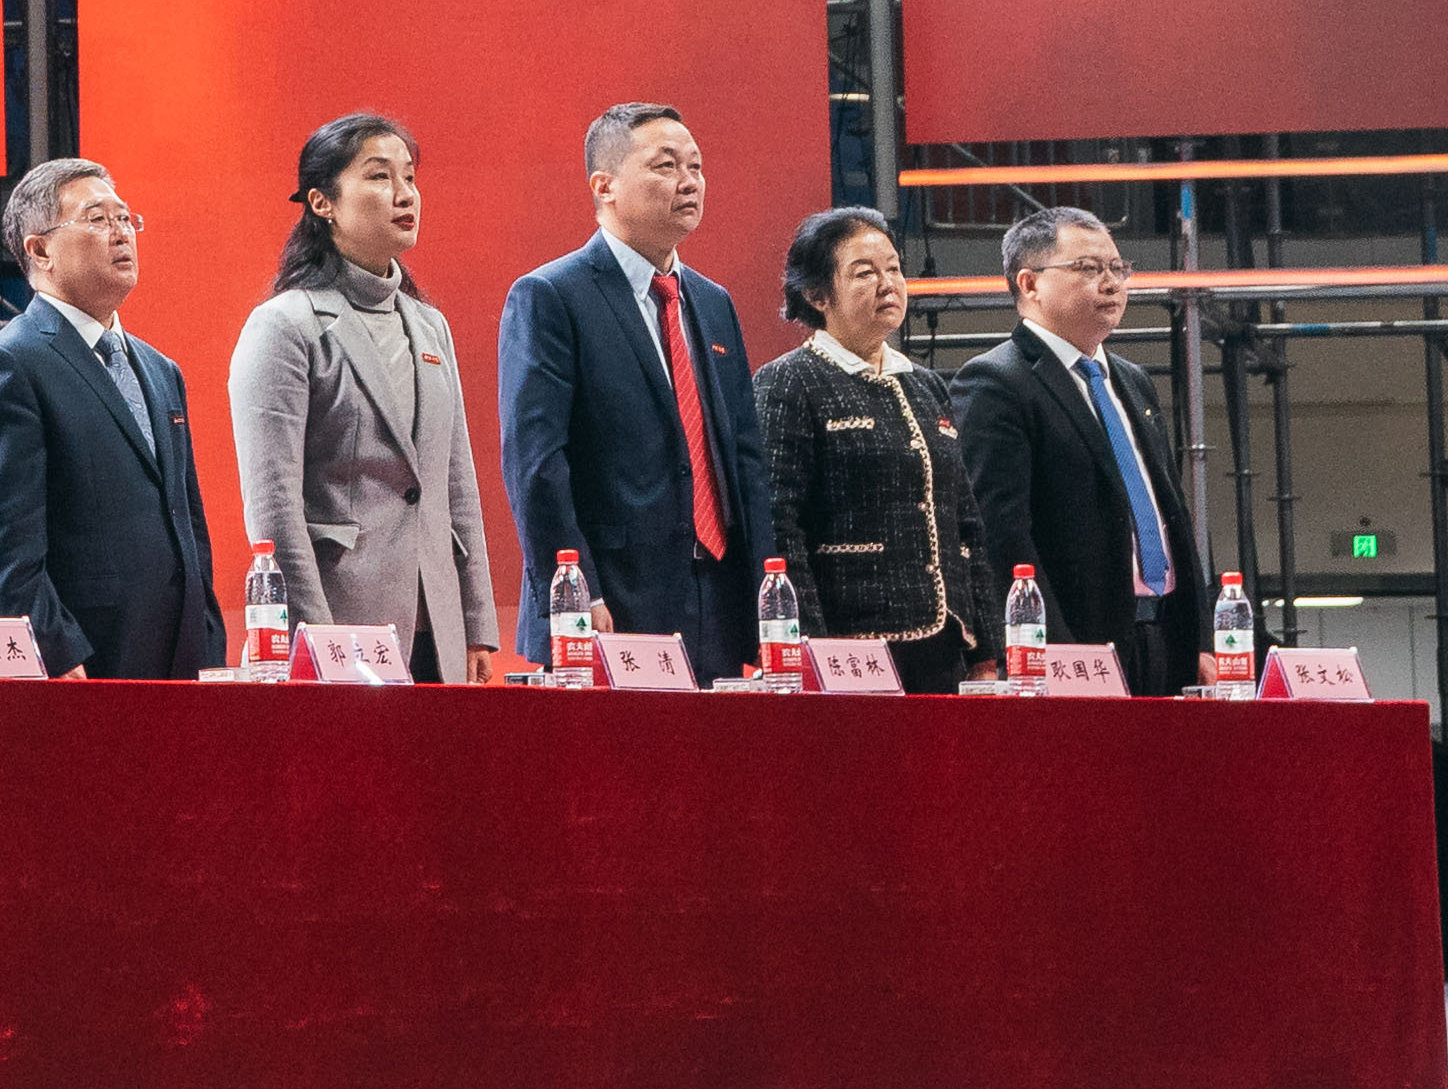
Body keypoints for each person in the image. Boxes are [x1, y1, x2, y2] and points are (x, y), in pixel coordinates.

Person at [226, 108, 503, 682]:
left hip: (437, 624)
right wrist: (315, 638)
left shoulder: (429, 325)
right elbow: (273, 508)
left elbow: (456, 483)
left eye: (410, 177)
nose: (404, 194)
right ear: (321, 202)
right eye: (379, 176)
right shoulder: (285, 325)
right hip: (341, 619)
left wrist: (476, 624)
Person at [498, 99, 768, 676]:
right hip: (611, 600)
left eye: (695, 166)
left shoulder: (713, 302)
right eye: (665, 166)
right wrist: (576, 591)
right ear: (605, 187)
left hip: (717, 599)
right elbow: (536, 464)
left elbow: (745, 458)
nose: (689, 181)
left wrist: (765, 598)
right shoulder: (552, 295)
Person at [0, 156, 230, 680]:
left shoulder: (160, 369)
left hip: (182, 658)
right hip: (88, 660)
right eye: (97, 219)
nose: (121, 233)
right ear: (40, 250)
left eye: (125, 218)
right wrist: (53, 650)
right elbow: (2, 541)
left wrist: (209, 633)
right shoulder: (8, 364)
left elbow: (187, 521)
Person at [953, 201, 1203, 693]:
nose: (1111, 283)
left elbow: (1169, 513)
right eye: (1088, 269)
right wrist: (1054, 653)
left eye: (1118, 268)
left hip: (1164, 636)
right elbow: (1001, 535)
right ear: (1029, 284)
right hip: (1076, 644)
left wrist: (1201, 639)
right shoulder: (995, 381)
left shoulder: (1132, 380)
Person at [751, 205, 983, 692]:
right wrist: (809, 646)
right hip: (848, 645)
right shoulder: (788, 381)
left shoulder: (926, 385)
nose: (888, 284)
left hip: (945, 645)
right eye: (865, 273)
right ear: (817, 295)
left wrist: (987, 646)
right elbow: (779, 525)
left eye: (893, 269)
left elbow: (966, 522)